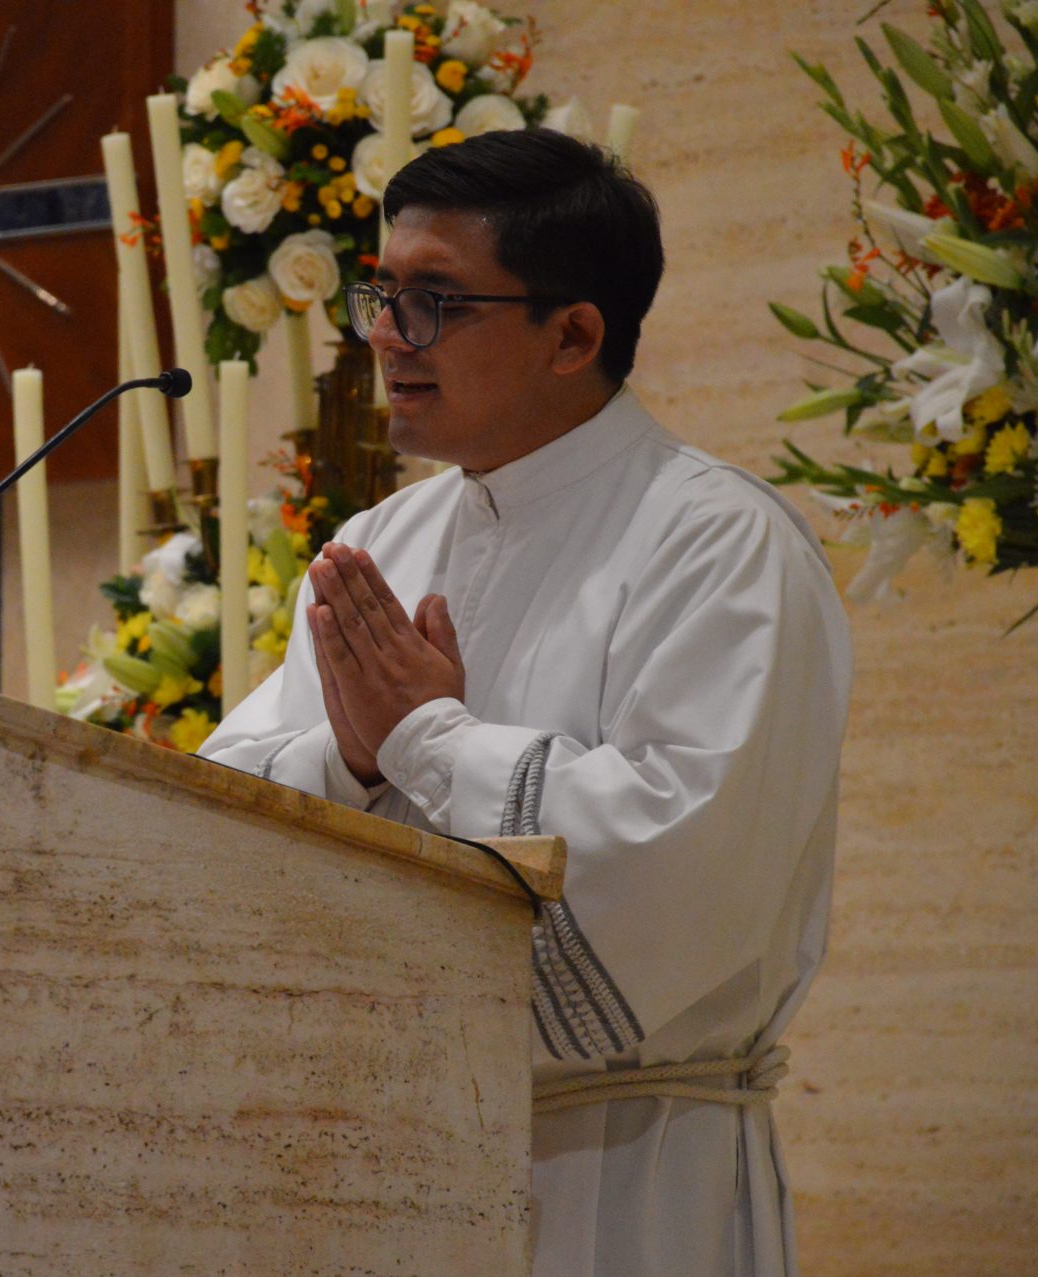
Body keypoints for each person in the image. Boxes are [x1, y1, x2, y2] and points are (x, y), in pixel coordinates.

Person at [198, 128, 853, 1277]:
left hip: (633, 1172)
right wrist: (349, 761)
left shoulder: (718, 543)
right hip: (386, 1168)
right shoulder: (380, 542)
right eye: (381, 295)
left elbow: (682, 868)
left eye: (436, 302)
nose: (387, 336)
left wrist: (430, 740)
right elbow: (215, 810)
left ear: (573, 334)